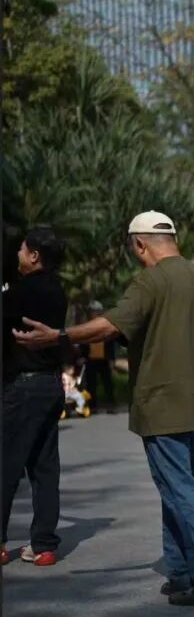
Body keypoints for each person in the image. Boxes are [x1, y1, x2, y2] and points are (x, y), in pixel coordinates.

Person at [15, 211, 194, 605]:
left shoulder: (149, 281)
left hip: (161, 407)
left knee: (182, 492)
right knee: (176, 490)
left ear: (140, 244)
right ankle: (181, 572)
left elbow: (110, 326)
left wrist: (58, 335)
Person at [2, 227, 68, 567]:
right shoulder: (58, 291)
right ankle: (43, 545)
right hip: (51, 384)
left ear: (34, 255)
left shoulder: (20, 292)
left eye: (21, 249)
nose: (17, 255)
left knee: (6, 464)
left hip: (22, 386)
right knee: (44, 468)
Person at [81, 301, 116, 412]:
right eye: (93, 311)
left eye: (98, 311)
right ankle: (93, 406)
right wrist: (82, 356)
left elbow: (110, 344)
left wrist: (111, 361)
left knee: (108, 383)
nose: (96, 313)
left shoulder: (104, 324)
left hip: (104, 359)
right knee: (91, 384)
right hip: (90, 359)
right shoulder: (86, 325)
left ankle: (111, 405)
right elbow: (82, 342)